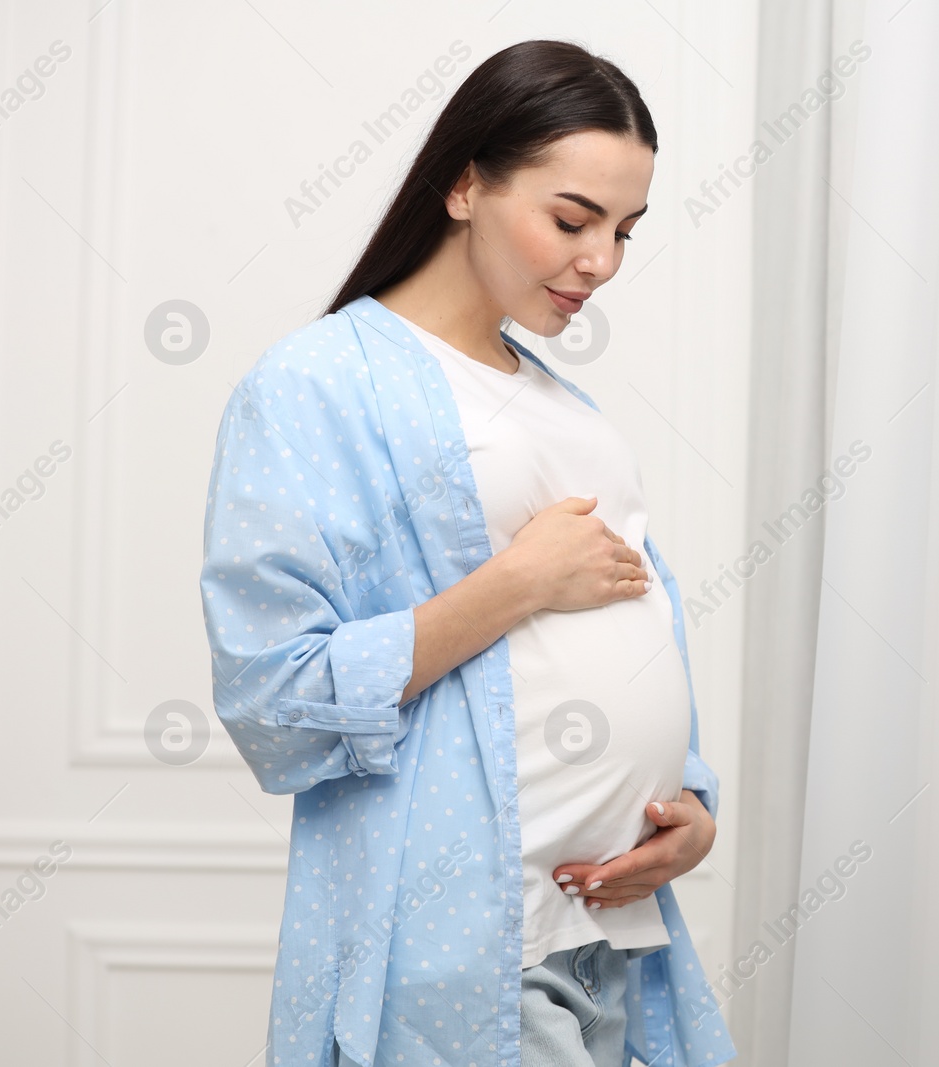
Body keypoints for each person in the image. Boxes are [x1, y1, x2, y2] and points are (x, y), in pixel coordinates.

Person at [198, 39, 736, 1067]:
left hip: (611, 937)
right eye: (572, 220)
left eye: (624, 231)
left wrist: (689, 806)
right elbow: (273, 694)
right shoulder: (316, 385)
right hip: (474, 949)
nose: (601, 262)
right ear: (463, 183)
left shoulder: (562, 406)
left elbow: (637, 621)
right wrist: (515, 584)